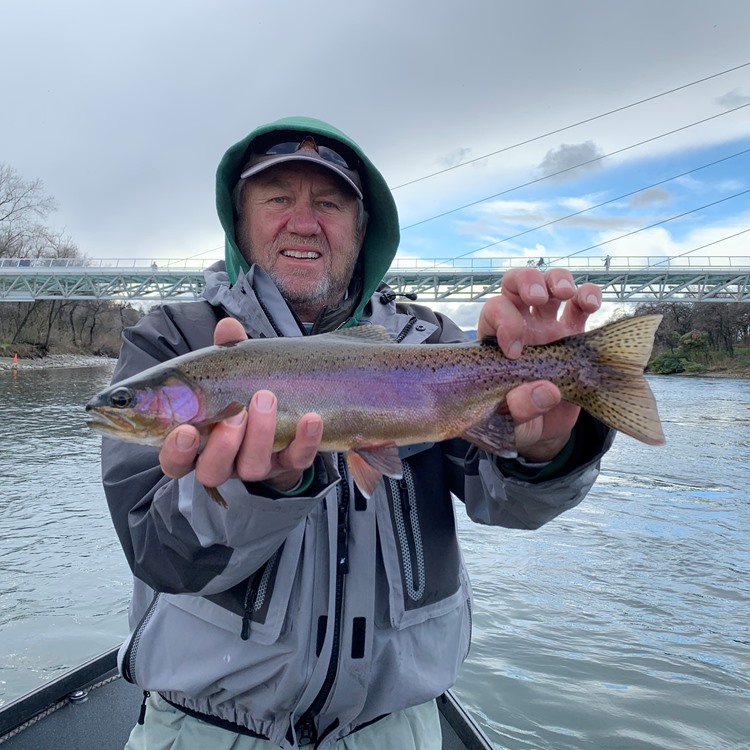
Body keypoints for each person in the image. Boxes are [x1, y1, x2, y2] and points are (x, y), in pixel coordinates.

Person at [102, 116, 611, 750]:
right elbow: (157, 552)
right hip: (205, 729)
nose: (304, 220)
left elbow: (509, 503)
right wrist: (258, 495)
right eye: (278, 197)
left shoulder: (434, 346)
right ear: (239, 224)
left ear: (363, 230)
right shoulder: (171, 342)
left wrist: (547, 447)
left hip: (393, 732)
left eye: (330, 203)